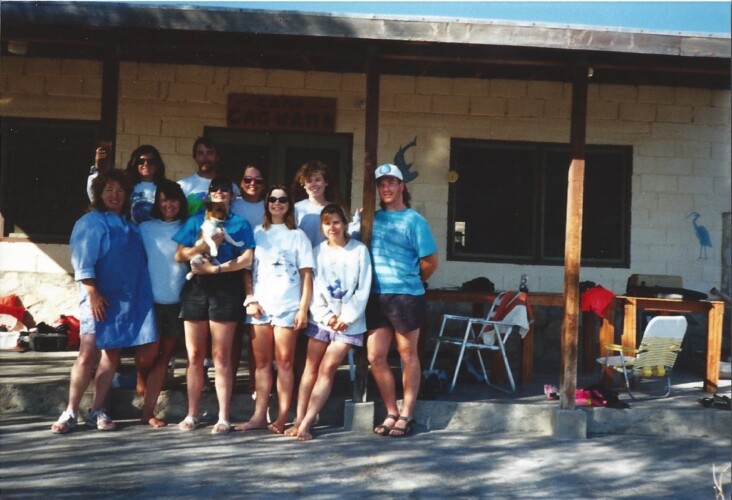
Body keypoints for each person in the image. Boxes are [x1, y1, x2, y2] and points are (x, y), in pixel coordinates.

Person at [52, 169, 157, 434]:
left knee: (112, 356)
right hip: (97, 297)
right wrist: (93, 293)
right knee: (88, 353)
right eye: (109, 189)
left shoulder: (129, 225)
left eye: (120, 190)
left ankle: (97, 409)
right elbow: (82, 262)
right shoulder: (91, 222)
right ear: (99, 193)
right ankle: (70, 411)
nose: (115, 195)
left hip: (124, 302)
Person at [173, 175, 254, 434]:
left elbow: (247, 258)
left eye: (225, 189)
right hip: (196, 286)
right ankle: (192, 414)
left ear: (232, 195)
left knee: (221, 356)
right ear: (209, 195)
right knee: (195, 356)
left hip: (226, 287)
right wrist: (201, 247)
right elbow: (179, 254)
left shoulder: (240, 223)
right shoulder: (196, 220)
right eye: (215, 189)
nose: (220, 192)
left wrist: (216, 269)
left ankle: (223, 416)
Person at [285, 204, 372, 441]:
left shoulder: (359, 251)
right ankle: (298, 418)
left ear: (345, 224)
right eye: (327, 223)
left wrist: (346, 318)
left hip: (349, 323)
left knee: (327, 367)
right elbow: (311, 289)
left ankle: (307, 422)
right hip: (322, 320)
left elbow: (362, 288)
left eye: (336, 222)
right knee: (310, 368)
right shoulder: (317, 251)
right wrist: (326, 316)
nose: (332, 227)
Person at [367, 163, 439, 438]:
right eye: (382, 184)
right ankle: (391, 411)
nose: (386, 188)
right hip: (376, 295)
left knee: (408, 354)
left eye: (391, 183)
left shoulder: (414, 220)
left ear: (401, 186)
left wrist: (412, 279)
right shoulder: (372, 219)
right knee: (376, 356)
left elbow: (431, 262)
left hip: (407, 295)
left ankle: (407, 412)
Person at [238, 185, 313, 434]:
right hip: (261, 307)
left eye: (283, 199)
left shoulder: (298, 235)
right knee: (261, 364)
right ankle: (259, 415)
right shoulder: (257, 232)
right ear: (266, 203)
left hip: (288, 308)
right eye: (272, 199)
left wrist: (303, 309)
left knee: (285, 363)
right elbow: (247, 271)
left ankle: (282, 417)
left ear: (289, 204)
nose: (277, 203)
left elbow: (306, 276)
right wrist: (251, 299)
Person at [137, 180, 189, 427]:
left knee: (163, 357)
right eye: (164, 200)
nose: (169, 205)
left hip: (177, 302)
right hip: (150, 302)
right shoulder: (145, 228)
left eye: (174, 200)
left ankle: (148, 412)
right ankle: (140, 373)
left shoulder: (189, 227)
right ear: (157, 203)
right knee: (147, 354)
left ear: (181, 202)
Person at [229, 164, 267, 395]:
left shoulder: (269, 206)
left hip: (261, 274)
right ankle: (229, 384)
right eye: (248, 180)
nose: (253, 184)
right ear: (241, 183)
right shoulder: (234, 204)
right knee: (232, 334)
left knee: (256, 333)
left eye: (258, 180)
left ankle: (255, 384)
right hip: (234, 272)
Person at [87, 145, 168, 225]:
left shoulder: (166, 187)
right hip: (128, 235)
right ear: (135, 163)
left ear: (157, 164)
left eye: (151, 161)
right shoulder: (125, 184)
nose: (146, 164)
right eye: (141, 161)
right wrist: (98, 167)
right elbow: (94, 193)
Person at [177, 137, 240, 216]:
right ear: (194, 157)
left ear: (217, 157)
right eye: (200, 153)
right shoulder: (182, 186)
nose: (205, 157)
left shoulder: (231, 187)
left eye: (209, 153)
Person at [292, 160, 341, 247]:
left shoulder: (336, 209)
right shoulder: (296, 209)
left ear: (326, 182)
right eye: (309, 181)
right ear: (304, 185)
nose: (314, 184)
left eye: (318, 180)